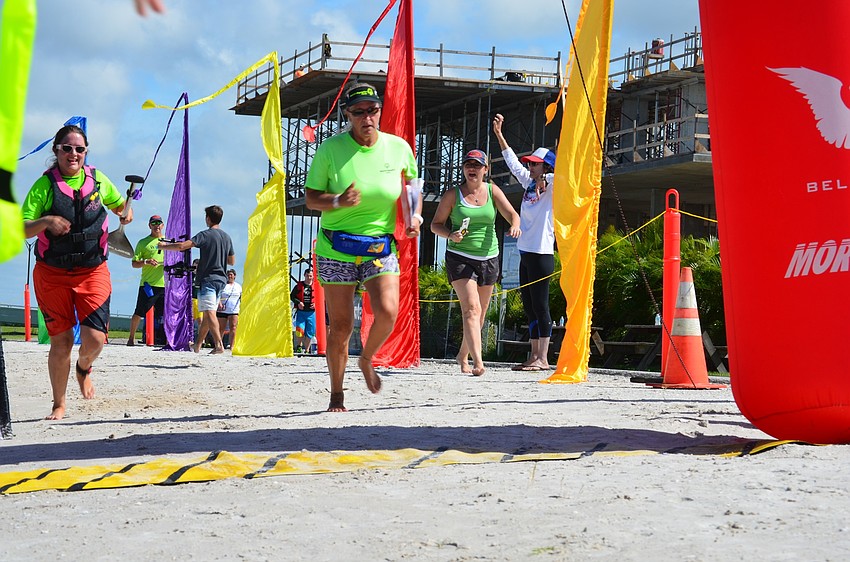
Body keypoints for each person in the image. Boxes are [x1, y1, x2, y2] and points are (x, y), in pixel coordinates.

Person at [305, 82, 421, 413]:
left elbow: (412, 187)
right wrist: (339, 200)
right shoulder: (330, 149)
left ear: (379, 112)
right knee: (341, 325)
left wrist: (415, 217)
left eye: (372, 110)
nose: (367, 118)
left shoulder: (398, 148)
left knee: (387, 311)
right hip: (335, 245)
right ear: (348, 115)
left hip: (379, 245)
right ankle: (336, 394)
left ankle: (366, 358)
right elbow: (312, 197)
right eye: (359, 113)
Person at [21, 125, 133, 420]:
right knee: (62, 342)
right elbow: (22, 228)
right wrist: (46, 220)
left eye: (79, 149)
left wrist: (126, 212)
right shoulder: (43, 187)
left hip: (92, 270)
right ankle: (59, 404)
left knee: (95, 339)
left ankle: (84, 369)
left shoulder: (98, 180)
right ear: (56, 150)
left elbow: (121, 206)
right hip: (52, 273)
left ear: (86, 152)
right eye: (67, 148)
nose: (73, 154)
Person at [430, 149, 521, 377]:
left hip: (489, 257)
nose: (472, 168)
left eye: (477, 165)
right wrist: (450, 235)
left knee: (479, 315)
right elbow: (435, 225)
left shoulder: (493, 191)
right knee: (471, 308)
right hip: (460, 257)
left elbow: (512, 214)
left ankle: (462, 355)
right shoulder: (453, 195)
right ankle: (478, 362)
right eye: (468, 164)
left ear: (485, 170)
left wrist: (514, 225)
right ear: (464, 169)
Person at [493, 113, 557, 371]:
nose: (530, 168)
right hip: (525, 252)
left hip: (542, 253)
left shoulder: (553, 185)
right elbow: (511, 162)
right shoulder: (529, 182)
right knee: (529, 306)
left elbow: (562, 174)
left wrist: (547, 178)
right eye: (530, 164)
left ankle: (544, 357)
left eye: (536, 165)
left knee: (541, 305)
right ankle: (533, 356)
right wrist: (499, 134)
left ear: (546, 167)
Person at [159, 205, 234, 355]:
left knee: (209, 312)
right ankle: (198, 345)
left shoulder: (205, 235)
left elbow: (182, 246)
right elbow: (231, 261)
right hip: (221, 279)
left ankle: (218, 344)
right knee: (207, 314)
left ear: (208, 218)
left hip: (208, 278)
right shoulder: (227, 237)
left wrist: (164, 246)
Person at [126, 215, 165, 346]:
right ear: (150, 226)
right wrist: (146, 262)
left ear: (163, 225)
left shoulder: (169, 242)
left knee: (166, 315)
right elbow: (134, 263)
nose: (157, 226)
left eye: (159, 223)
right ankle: (131, 338)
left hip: (165, 285)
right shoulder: (143, 243)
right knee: (139, 312)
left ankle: (167, 339)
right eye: (154, 223)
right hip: (148, 284)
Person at [290, 268, 316, 354]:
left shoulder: (316, 286)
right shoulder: (299, 286)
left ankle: (307, 349)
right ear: (304, 275)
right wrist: (298, 303)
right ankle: (299, 346)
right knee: (300, 330)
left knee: (310, 331)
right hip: (301, 312)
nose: (309, 277)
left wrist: (316, 304)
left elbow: (322, 298)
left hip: (311, 313)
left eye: (311, 276)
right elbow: (292, 296)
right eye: (307, 276)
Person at [217, 269, 241, 349]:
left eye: (231, 274)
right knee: (221, 328)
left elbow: (241, 297)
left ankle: (232, 345)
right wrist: (219, 304)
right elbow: (218, 295)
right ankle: (219, 345)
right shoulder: (223, 285)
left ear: (234, 276)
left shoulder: (238, 286)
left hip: (234, 310)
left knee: (233, 327)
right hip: (222, 310)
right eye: (228, 275)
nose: (230, 276)